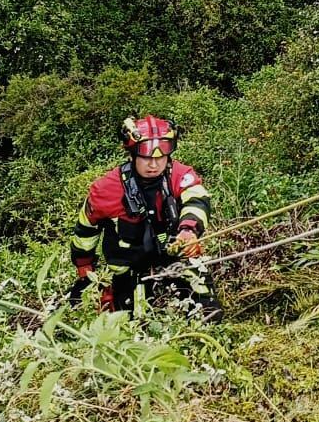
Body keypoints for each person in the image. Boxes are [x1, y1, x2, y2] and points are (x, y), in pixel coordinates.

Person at [68, 114, 220, 318]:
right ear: (132, 155)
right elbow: (86, 230)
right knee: (131, 324)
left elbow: (197, 199)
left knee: (208, 313)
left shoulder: (179, 175)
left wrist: (188, 230)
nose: (154, 165)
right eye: (147, 158)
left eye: (160, 158)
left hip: (173, 260)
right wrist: (85, 269)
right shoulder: (105, 190)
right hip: (127, 272)